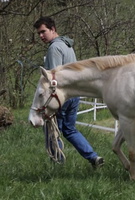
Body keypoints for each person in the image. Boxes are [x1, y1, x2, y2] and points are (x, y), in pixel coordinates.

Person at [33, 16, 104, 169]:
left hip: (61, 97)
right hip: (74, 96)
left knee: (52, 130)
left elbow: (54, 79)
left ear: (53, 29)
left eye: (43, 31)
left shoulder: (54, 48)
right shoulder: (67, 45)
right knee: (69, 129)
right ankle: (93, 157)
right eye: (39, 33)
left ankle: (57, 165)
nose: (41, 36)